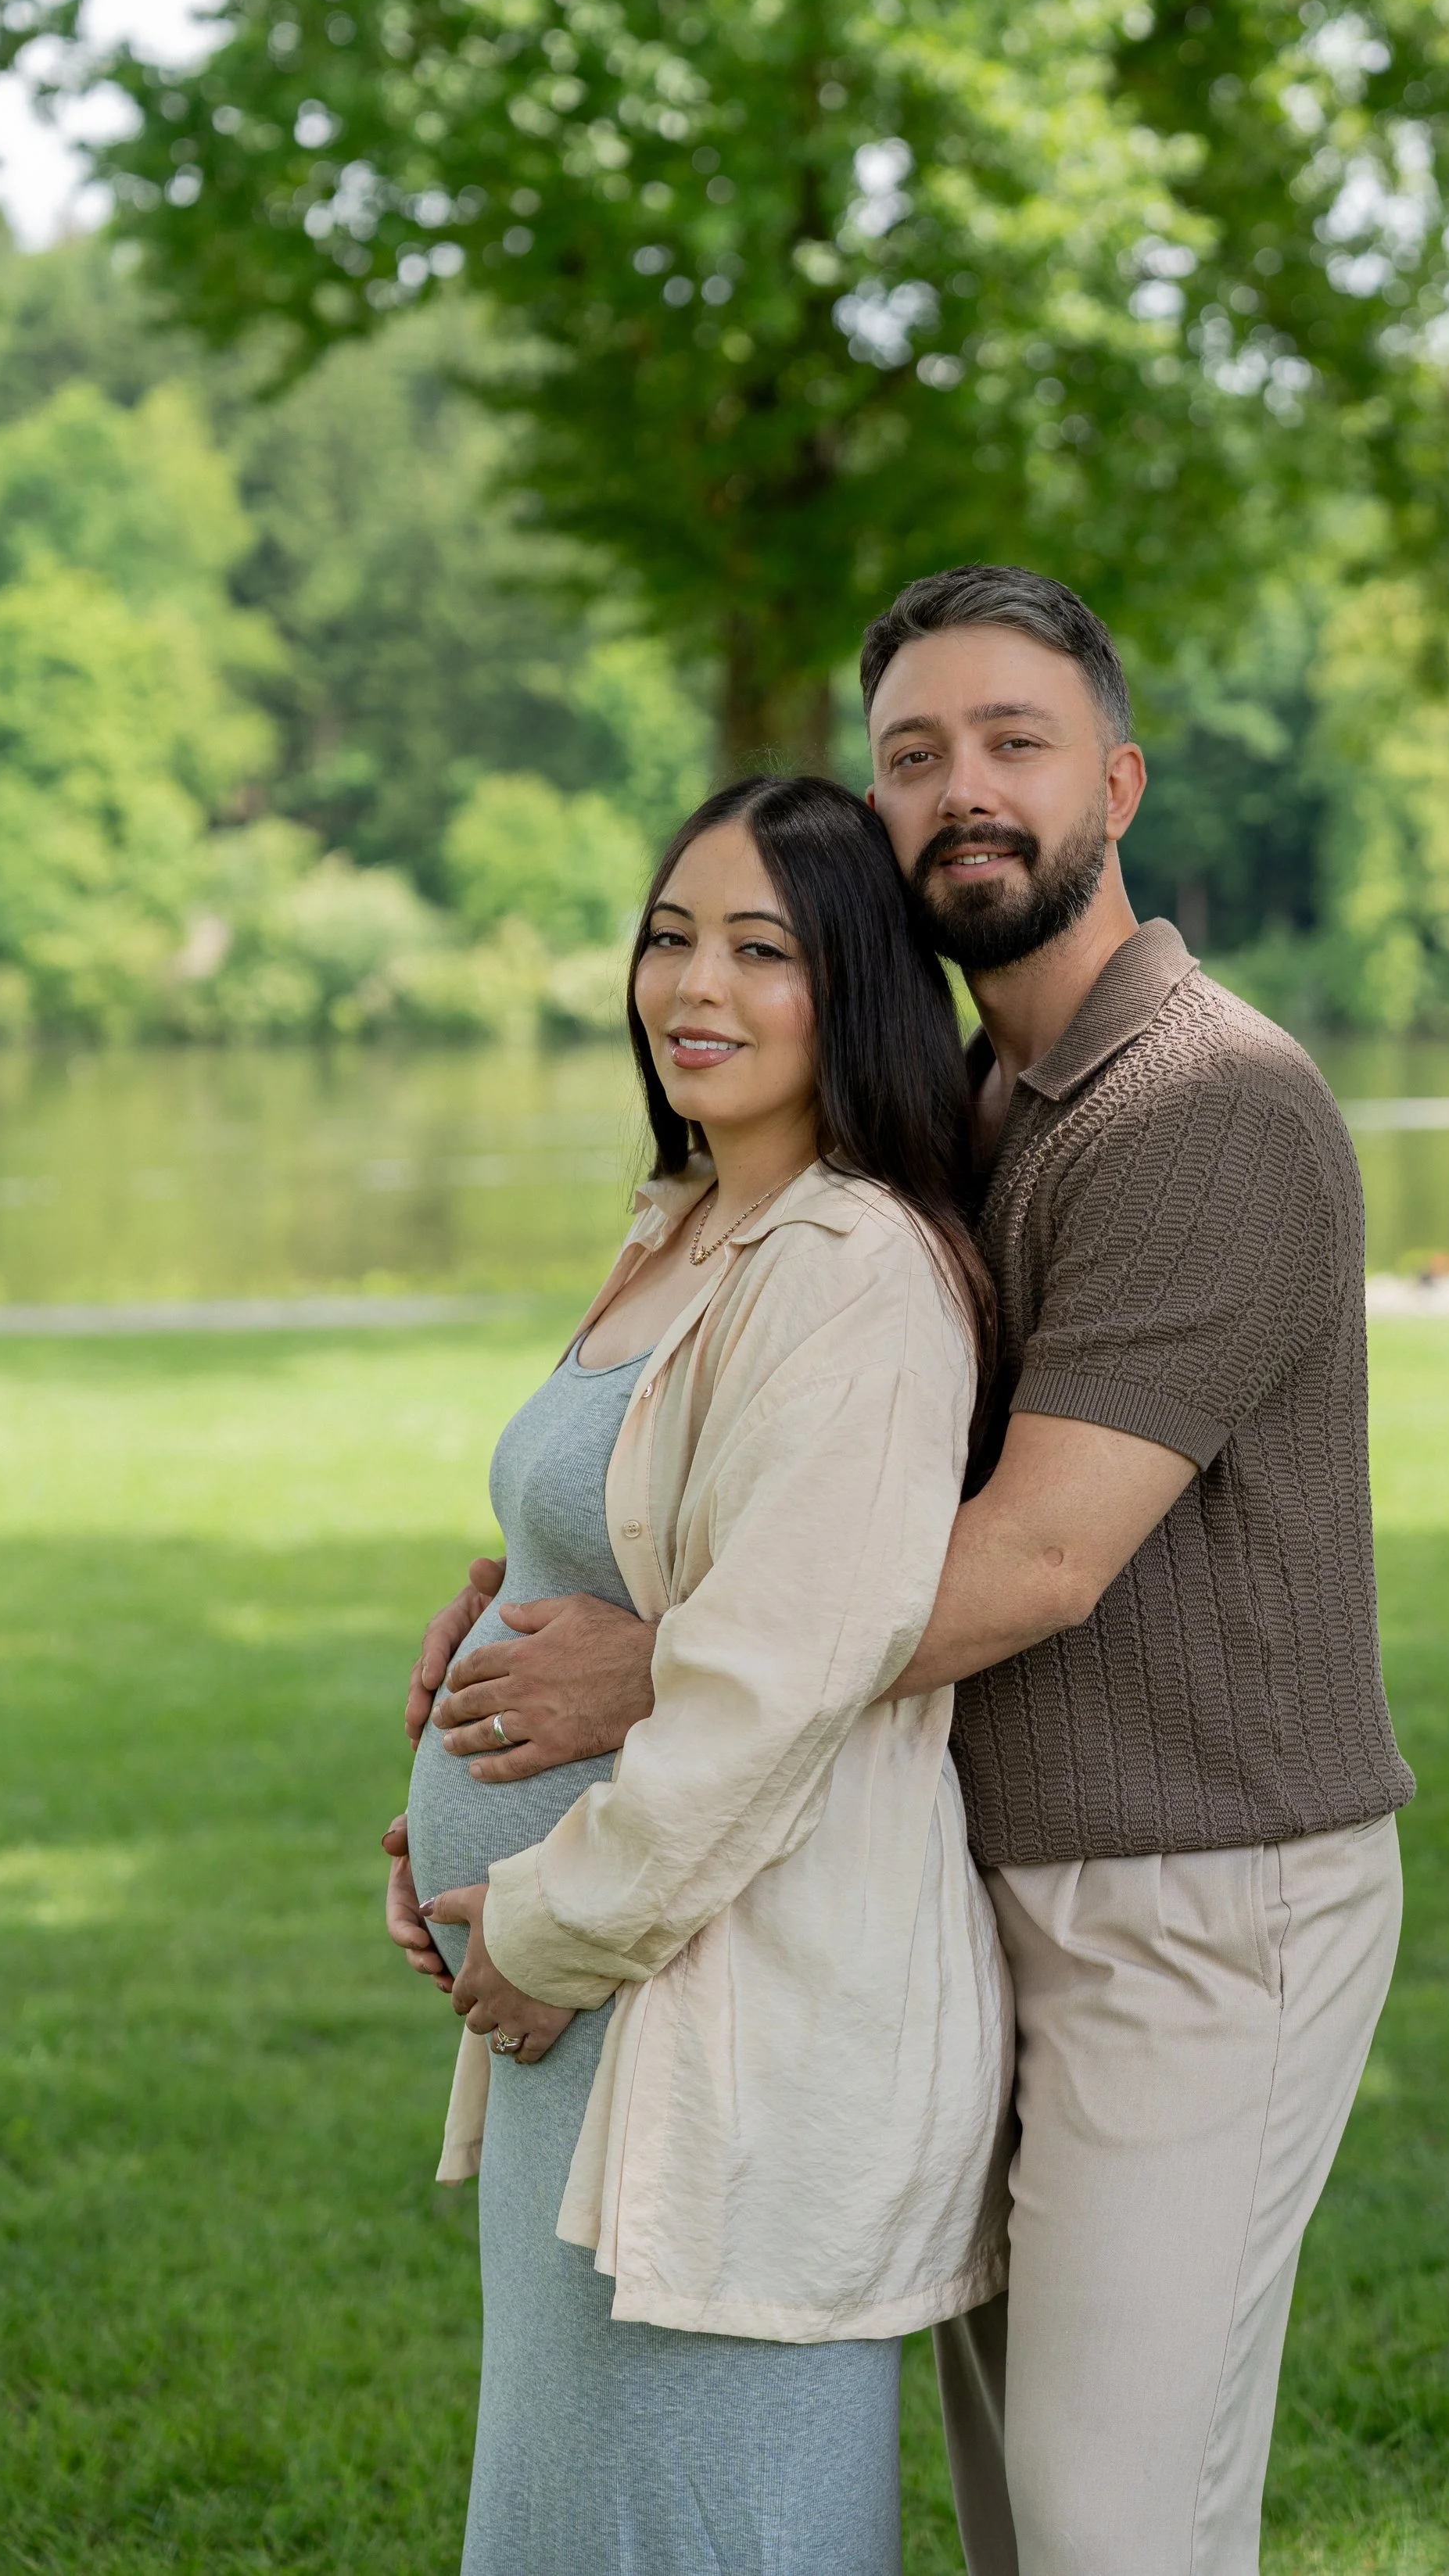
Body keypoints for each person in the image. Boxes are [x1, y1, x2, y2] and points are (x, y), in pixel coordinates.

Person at [396, 566, 1415, 2576]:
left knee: (1119, 2529)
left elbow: (1034, 1556)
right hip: (972, 1870)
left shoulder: (1207, 1104)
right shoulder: (959, 1111)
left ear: (1115, 782)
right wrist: (536, 1565)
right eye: (913, 756)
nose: (962, 789)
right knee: (1018, 2520)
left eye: (1013, 744)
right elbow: (793, 1471)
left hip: (1186, 1898)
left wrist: (645, 1674)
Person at [393, 772, 1012, 2576]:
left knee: (703, 2528)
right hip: (588, 2007)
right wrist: (460, 1814)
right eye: (670, 936)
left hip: (714, 2017)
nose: (694, 985)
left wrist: (536, 1928)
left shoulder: (858, 1271)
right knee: (571, 2517)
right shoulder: (681, 1225)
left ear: (862, 989)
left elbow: (774, 1691)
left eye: (763, 948)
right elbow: (635, 1556)